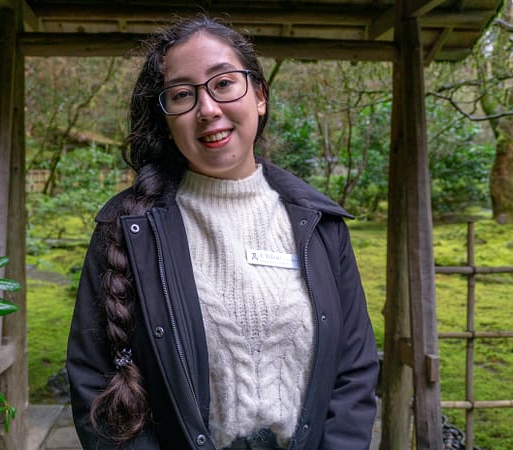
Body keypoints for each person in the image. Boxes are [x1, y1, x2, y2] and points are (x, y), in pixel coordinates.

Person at [66, 15, 379, 450]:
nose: (208, 109)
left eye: (224, 83)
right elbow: (92, 378)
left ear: (260, 96)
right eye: (182, 94)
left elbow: (354, 371)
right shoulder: (127, 228)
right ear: (167, 120)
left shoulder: (318, 224)